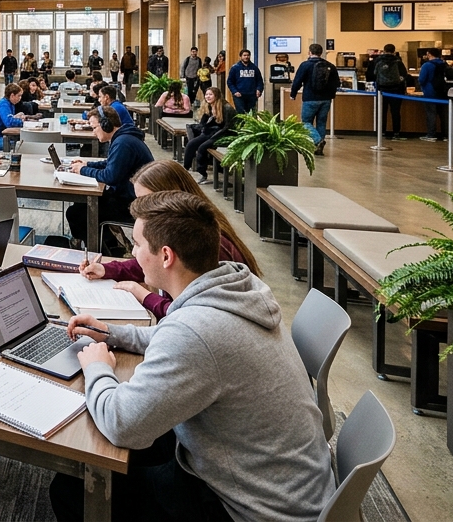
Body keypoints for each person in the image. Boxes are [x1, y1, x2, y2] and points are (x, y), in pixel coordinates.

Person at [53, 191, 335, 522]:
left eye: (138, 244)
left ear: (166, 256)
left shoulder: (196, 332)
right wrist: (111, 333)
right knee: (150, 441)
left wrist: (98, 368)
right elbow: (176, 335)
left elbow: (121, 423)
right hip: (289, 485)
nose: (133, 253)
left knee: (71, 488)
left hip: (251, 509)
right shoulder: (236, 288)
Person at [79, 160, 262, 319]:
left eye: (147, 200)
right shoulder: (191, 228)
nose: (141, 209)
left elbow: (189, 314)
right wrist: (107, 269)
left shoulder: (209, 245)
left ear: (171, 198)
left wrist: (143, 295)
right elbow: (151, 261)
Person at [66, 105, 153, 247]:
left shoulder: (123, 143)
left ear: (106, 125)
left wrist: (83, 170)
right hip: (131, 196)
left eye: (94, 128)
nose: (94, 132)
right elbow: (111, 163)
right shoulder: (123, 138)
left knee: (76, 213)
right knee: (81, 204)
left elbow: (110, 176)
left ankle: (102, 249)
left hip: (132, 203)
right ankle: (108, 243)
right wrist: (87, 164)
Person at [290, 43, 338, 153]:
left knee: (306, 122)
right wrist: (331, 95)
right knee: (321, 122)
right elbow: (336, 83)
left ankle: (318, 141)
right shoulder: (330, 66)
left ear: (310, 52)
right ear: (321, 53)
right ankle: (319, 148)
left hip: (310, 98)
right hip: (326, 99)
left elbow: (297, 81)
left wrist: (293, 94)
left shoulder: (305, 65)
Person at [184, 86, 234, 183]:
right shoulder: (208, 106)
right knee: (191, 144)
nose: (208, 96)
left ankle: (203, 173)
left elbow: (228, 127)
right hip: (210, 132)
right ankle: (185, 169)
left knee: (202, 148)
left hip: (223, 134)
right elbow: (203, 123)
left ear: (216, 95)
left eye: (210, 94)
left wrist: (213, 137)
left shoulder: (226, 108)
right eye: (206, 94)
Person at [371, 44, 409, 140]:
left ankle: (382, 132)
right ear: (394, 51)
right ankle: (396, 133)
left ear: (384, 50)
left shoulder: (377, 61)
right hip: (396, 90)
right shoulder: (398, 61)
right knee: (395, 112)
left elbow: (372, 74)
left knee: (382, 112)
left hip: (382, 90)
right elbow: (404, 74)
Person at [0, 83, 36, 149]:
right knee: (19, 146)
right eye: (19, 96)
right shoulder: (4, 105)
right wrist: (24, 122)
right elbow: (9, 122)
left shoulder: (10, 104)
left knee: (21, 143)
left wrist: (15, 117)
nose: (20, 98)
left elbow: (9, 119)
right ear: (12, 95)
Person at [419, 47, 450, 142]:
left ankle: (431, 134)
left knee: (431, 113)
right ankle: (445, 135)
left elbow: (421, 79)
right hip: (443, 91)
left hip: (430, 91)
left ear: (429, 54)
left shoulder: (427, 65)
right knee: (443, 115)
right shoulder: (444, 64)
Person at [227, 48, 264, 114]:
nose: (246, 57)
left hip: (252, 95)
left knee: (251, 113)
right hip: (239, 95)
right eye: (244, 55)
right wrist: (235, 91)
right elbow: (230, 81)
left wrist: (259, 89)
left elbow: (259, 81)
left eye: (248, 55)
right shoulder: (235, 68)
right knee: (241, 113)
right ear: (241, 56)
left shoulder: (254, 68)